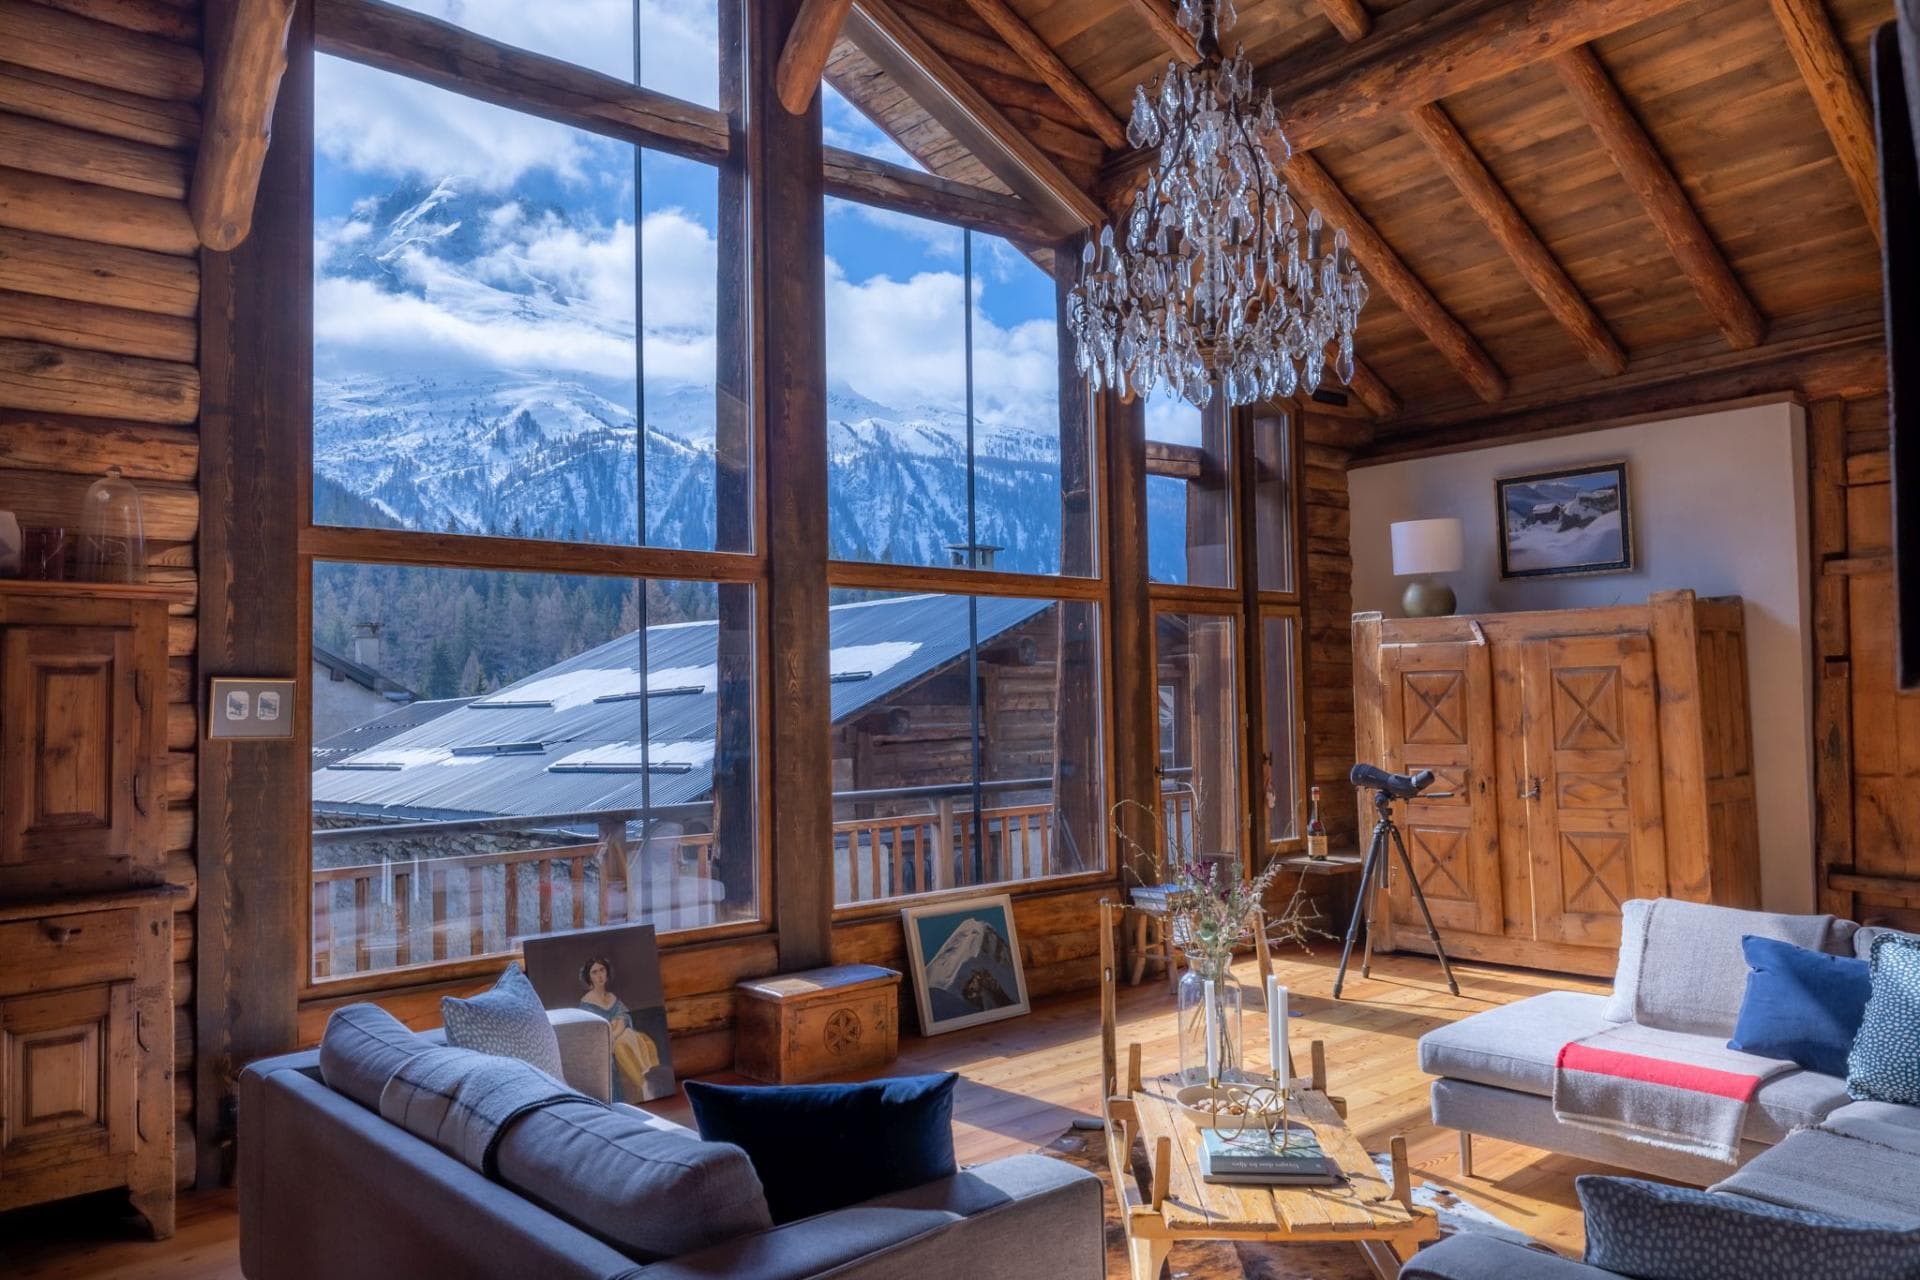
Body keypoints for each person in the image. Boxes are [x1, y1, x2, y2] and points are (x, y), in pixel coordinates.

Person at [577, 956, 661, 1102]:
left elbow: (621, 1021)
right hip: (602, 1043)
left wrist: (614, 1033)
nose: (599, 975)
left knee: (642, 1041)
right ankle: (643, 1084)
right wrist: (612, 1034)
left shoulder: (612, 997)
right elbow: (595, 1029)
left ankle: (651, 1082)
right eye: (594, 972)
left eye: (602, 970)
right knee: (621, 1046)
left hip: (617, 1037)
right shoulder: (586, 1003)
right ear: (589, 977)